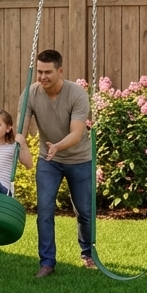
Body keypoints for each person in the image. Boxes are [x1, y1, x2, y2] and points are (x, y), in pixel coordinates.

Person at [21, 49, 94, 278]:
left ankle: (88, 253)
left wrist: (57, 147)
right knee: (44, 210)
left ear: (60, 71)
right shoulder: (31, 93)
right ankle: (47, 262)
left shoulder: (77, 94)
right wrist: (17, 147)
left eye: (48, 72)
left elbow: (76, 133)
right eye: (39, 71)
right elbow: (21, 131)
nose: (42, 77)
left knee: (84, 211)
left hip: (80, 159)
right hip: (48, 162)